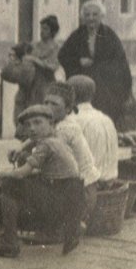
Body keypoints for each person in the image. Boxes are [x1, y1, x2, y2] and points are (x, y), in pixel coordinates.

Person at [0, 105, 85, 258]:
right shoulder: (57, 139)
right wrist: (20, 150)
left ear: (51, 124)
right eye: (28, 125)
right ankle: (67, 230)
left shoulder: (46, 145)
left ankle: (9, 241)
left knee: (10, 185)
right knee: (32, 176)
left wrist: (1, 174)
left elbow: (21, 173)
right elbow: (32, 141)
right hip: (73, 196)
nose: (32, 128)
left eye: (38, 123)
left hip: (59, 198)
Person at [58, 0, 132, 129]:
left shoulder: (109, 35)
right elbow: (63, 55)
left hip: (105, 85)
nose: (91, 18)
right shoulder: (77, 35)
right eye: (87, 15)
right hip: (83, 86)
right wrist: (78, 62)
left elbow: (120, 61)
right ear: (82, 17)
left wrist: (98, 67)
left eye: (94, 15)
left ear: (101, 16)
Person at [43, 81, 100, 224]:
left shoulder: (65, 128)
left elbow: (46, 154)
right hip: (79, 188)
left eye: (54, 104)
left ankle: (58, 229)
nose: (47, 108)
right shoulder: (58, 123)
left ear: (68, 109)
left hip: (82, 193)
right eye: (46, 103)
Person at [2, 15, 63, 137]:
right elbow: (17, 53)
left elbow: (52, 67)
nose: (42, 32)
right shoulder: (33, 45)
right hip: (28, 87)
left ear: (52, 30)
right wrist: (15, 55)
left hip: (44, 87)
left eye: (45, 29)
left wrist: (35, 60)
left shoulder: (56, 47)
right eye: (41, 28)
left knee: (41, 117)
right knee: (22, 117)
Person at [68, 75, 119, 184]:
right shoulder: (106, 118)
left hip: (91, 186)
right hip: (111, 182)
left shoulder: (74, 120)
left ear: (71, 95)